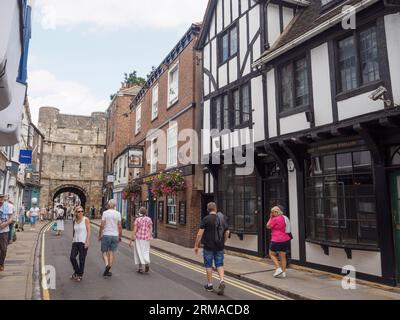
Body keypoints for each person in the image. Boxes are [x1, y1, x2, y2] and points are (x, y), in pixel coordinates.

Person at [194, 202, 229, 295]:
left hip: (208, 246)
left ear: (207, 209)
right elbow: (227, 232)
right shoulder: (222, 218)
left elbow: (199, 234)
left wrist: (196, 246)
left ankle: (210, 285)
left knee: (208, 265)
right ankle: (222, 281)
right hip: (219, 246)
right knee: (219, 264)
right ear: (215, 208)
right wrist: (223, 242)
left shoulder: (206, 219)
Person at [98, 199, 122, 277]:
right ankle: (109, 270)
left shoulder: (105, 213)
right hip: (115, 235)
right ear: (115, 205)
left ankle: (107, 264)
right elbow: (120, 226)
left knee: (104, 252)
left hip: (106, 234)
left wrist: (100, 234)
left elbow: (102, 225)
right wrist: (120, 236)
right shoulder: (118, 213)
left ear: (108, 205)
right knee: (111, 252)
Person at [266, 206, 292, 278]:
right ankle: (284, 273)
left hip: (276, 239)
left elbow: (268, 226)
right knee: (283, 256)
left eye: (272, 212)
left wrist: (271, 218)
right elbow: (288, 229)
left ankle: (278, 268)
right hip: (285, 239)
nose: (271, 213)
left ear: (276, 212)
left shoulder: (274, 219)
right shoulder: (285, 218)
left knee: (271, 254)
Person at [70, 206, 91, 282]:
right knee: (72, 257)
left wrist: (87, 242)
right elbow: (74, 231)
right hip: (75, 242)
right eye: (79, 211)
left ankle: (80, 275)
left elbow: (89, 231)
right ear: (76, 212)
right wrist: (73, 239)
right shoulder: (74, 220)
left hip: (83, 242)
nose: (81, 213)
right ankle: (77, 271)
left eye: (82, 211)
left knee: (82, 259)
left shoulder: (86, 220)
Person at [129, 207, 153, 273]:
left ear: (140, 212)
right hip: (146, 239)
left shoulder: (137, 220)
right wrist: (150, 236)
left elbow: (134, 230)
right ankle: (147, 264)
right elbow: (151, 229)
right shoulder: (149, 219)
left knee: (139, 252)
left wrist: (131, 240)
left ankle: (140, 268)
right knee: (146, 251)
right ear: (146, 212)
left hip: (139, 238)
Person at [0, 194, 13, 271]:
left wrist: (5, 224)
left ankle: (1, 263)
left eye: (2, 199)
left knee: (3, 249)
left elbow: (11, 218)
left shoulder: (9, 206)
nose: (0, 201)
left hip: (4, 231)